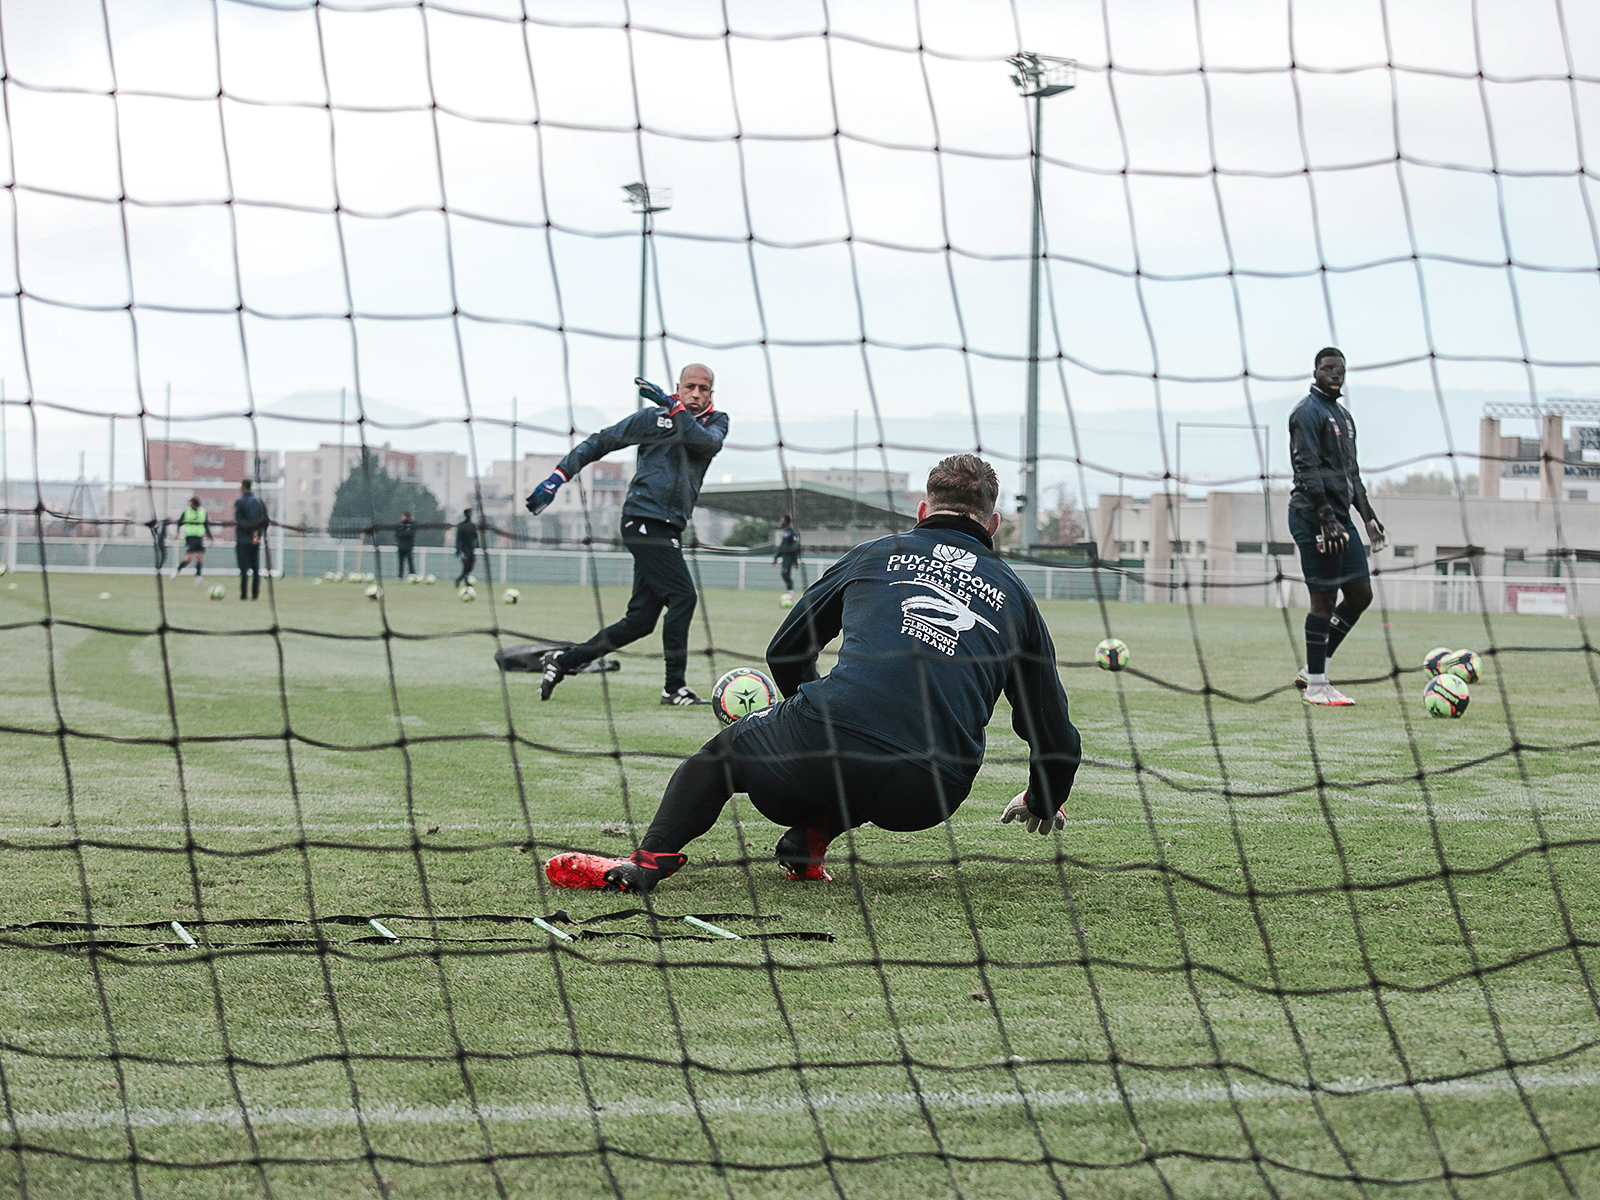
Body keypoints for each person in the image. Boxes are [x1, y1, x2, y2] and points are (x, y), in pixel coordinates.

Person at [544, 453, 1081, 893]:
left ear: (921, 510)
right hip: (933, 788)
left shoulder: (876, 553)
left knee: (721, 757)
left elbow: (785, 650)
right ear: (992, 525)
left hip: (825, 745)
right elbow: (1052, 732)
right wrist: (1043, 796)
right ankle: (808, 840)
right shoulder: (1016, 596)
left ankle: (648, 860)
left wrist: (820, 714)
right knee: (874, 763)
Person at [529, 364, 730, 706]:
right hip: (643, 520)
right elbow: (600, 442)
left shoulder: (716, 422)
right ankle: (674, 688)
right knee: (683, 596)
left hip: (669, 527)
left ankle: (561, 662)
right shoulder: (652, 419)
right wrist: (557, 477)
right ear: (679, 387)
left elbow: (701, 442)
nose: (696, 394)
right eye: (689, 387)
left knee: (640, 621)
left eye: (704, 389)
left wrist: (674, 406)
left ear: (712, 394)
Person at [1289, 347, 1388, 706]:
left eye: (1340, 369)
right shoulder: (1306, 413)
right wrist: (1327, 519)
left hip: (1342, 521)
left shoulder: (1344, 416)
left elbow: (1353, 475)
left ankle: (1314, 668)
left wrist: (1368, 517)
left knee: (1361, 595)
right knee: (1324, 602)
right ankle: (1316, 686)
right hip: (1313, 516)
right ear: (1315, 371)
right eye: (1328, 367)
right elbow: (1307, 469)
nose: (1335, 373)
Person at [233, 480, 269, 601]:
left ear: (243, 487)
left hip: (243, 539)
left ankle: (243, 595)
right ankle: (255, 594)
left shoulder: (240, 502)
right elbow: (265, 521)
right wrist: (257, 534)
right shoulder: (259, 503)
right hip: (256, 540)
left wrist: (250, 532)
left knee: (244, 569)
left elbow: (239, 520)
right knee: (256, 568)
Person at [172, 496, 210, 582]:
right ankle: (176, 572)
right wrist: (178, 533)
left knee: (199, 557)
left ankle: (198, 577)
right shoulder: (186, 512)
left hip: (199, 537)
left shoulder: (202, 512)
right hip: (190, 537)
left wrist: (210, 537)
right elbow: (179, 522)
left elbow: (206, 524)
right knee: (188, 558)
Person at [773, 514, 801, 601]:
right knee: (784, 574)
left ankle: (791, 593)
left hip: (790, 558)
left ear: (786, 521)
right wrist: (776, 558)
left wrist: (795, 561)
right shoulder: (785, 532)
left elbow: (795, 547)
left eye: (782, 520)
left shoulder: (792, 533)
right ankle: (790, 591)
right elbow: (782, 547)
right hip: (785, 557)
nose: (780, 522)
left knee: (785, 573)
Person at [454, 509, 478, 587]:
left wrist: (477, 545)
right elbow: (458, 538)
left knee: (470, 566)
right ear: (466, 514)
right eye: (469, 513)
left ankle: (460, 579)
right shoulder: (461, 525)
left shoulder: (472, 525)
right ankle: (464, 581)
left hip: (471, 549)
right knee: (466, 565)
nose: (470, 514)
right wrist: (458, 549)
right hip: (464, 549)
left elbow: (475, 537)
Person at [395, 511, 416, 579]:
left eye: (403, 516)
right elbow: (397, 534)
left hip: (408, 546)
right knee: (401, 562)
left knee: (410, 561)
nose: (402, 517)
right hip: (401, 546)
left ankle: (413, 575)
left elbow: (411, 533)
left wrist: (403, 534)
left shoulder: (411, 524)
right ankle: (400, 576)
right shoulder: (400, 524)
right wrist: (403, 534)